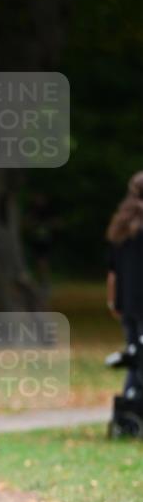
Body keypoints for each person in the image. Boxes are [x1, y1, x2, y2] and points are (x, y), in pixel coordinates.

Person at [106, 170, 143, 399]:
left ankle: (130, 400)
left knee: (135, 355)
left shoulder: (121, 226)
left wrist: (113, 302)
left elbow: (113, 274)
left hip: (127, 304)